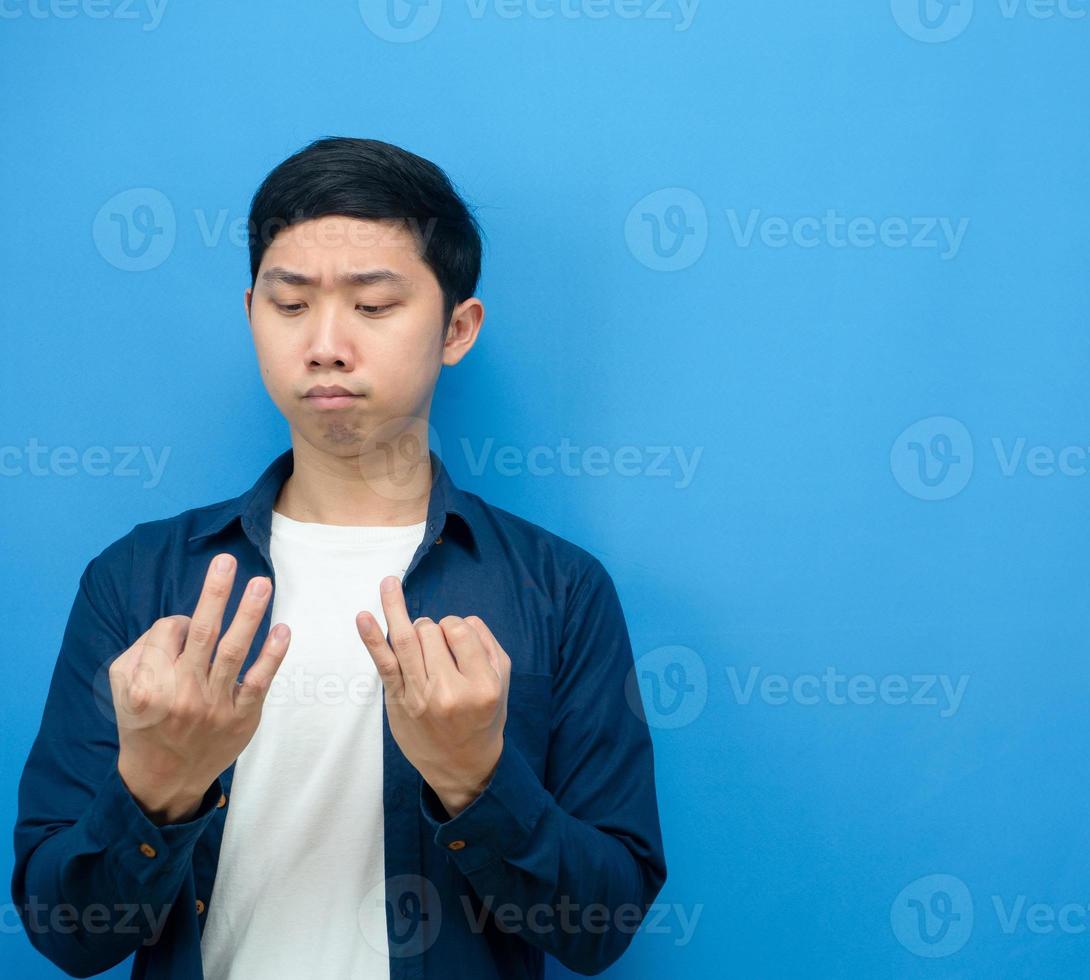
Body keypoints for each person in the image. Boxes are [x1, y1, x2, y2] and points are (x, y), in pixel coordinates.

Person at [11, 136, 667, 979]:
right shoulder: (137, 579)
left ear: (457, 328)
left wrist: (475, 779)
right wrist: (156, 787)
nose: (325, 345)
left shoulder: (558, 589)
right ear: (251, 313)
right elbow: (66, 935)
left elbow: (600, 929)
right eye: (290, 306)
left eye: (373, 306)